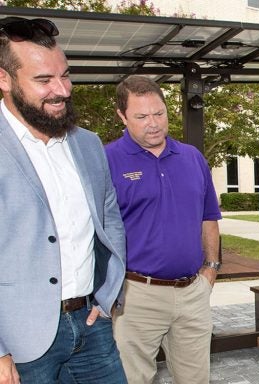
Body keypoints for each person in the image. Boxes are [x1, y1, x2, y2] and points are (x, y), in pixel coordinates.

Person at [0, 17, 127, 384]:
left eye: (65, 75)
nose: (62, 90)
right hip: (20, 343)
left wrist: (106, 299)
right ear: (4, 80)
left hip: (92, 326)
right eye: (43, 80)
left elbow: (109, 219)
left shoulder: (86, 143)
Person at [105, 75, 222, 384]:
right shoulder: (107, 160)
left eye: (159, 113)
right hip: (136, 295)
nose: (153, 123)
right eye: (141, 116)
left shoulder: (192, 157)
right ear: (122, 116)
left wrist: (210, 269)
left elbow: (209, 217)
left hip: (192, 293)